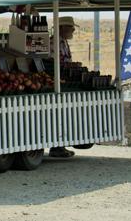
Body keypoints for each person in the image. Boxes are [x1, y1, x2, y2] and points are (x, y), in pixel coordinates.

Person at [49, 16, 77, 158]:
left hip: (64, 79)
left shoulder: (63, 42)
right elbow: (55, 63)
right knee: (58, 113)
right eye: (70, 27)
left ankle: (59, 145)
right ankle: (57, 146)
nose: (73, 29)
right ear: (61, 28)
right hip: (57, 81)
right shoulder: (54, 43)